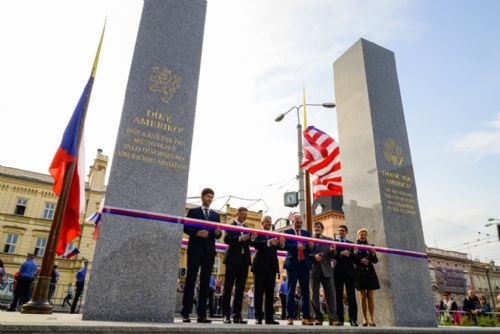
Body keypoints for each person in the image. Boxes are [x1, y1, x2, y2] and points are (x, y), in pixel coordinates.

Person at [181, 188, 222, 323]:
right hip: (195, 250)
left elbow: (219, 233)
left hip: (209, 252)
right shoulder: (193, 212)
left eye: (211, 197)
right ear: (202, 197)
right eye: (207, 196)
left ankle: (201, 314)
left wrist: (216, 233)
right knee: (190, 280)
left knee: (205, 284)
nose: (209, 199)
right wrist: (197, 233)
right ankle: (185, 313)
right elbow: (185, 227)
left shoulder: (216, 216)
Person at [222, 207, 256, 324]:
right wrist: (240, 238)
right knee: (228, 288)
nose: (244, 217)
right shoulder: (230, 225)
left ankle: (237, 315)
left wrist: (252, 238)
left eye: (246, 215)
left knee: (240, 290)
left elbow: (250, 244)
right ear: (237, 214)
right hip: (232, 260)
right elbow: (226, 239)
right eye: (242, 214)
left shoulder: (247, 228)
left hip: (244, 261)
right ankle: (226, 315)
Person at [251, 215, 284, 324]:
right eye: (267, 221)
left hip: (271, 268)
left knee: (270, 294)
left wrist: (281, 242)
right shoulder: (258, 232)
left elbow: (280, 246)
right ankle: (258, 317)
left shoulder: (275, 234)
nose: (269, 223)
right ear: (262, 222)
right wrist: (268, 243)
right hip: (260, 267)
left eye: (270, 221)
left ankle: (269, 318)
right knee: (259, 293)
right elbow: (255, 244)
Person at [283, 214, 314, 325]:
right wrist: (296, 247)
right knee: (291, 291)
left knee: (305, 291)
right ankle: (290, 317)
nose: (299, 224)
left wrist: (309, 247)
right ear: (293, 222)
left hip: (304, 265)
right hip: (293, 264)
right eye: (297, 222)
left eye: (301, 222)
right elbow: (284, 245)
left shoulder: (306, 234)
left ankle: (305, 317)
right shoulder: (287, 233)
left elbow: (311, 249)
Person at [310, 221, 339, 326]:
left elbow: (335, 256)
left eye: (319, 226)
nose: (317, 228)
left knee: (331, 295)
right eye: (315, 226)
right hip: (314, 271)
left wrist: (333, 251)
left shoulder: (329, 241)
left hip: (327, 271)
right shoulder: (309, 240)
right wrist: (314, 257)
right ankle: (318, 318)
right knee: (315, 296)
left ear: (322, 229)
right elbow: (305, 253)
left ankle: (333, 318)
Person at [333, 225, 358, 326]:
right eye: (339, 231)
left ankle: (353, 319)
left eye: (343, 231)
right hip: (337, 272)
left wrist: (353, 254)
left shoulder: (352, 244)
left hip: (349, 273)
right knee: (338, 296)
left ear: (346, 232)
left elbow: (356, 259)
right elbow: (331, 255)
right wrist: (341, 254)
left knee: (351, 296)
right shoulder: (334, 243)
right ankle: (340, 319)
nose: (341, 232)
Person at [354, 228, 380, 326]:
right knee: (362, 296)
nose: (363, 236)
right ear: (358, 235)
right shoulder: (354, 245)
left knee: (370, 296)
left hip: (370, 272)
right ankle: (364, 319)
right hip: (360, 272)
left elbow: (375, 261)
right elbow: (353, 258)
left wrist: (373, 253)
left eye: (365, 234)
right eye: (361, 234)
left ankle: (372, 319)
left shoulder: (370, 246)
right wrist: (360, 260)